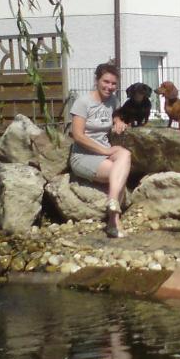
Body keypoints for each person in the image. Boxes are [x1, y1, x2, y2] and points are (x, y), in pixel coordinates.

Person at [69, 62, 131, 238]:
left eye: (113, 84)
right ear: (97, 80)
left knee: (125, 155)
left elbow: (115, 114)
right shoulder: (83, 102)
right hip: (83, 156)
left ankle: (111, 201)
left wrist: (118, 120)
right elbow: (78, 135)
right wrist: (105, 152)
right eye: (106, 82)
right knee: (119, 172)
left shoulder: (113, 101)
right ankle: (114, 221)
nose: (110, 87)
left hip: (104, 152)